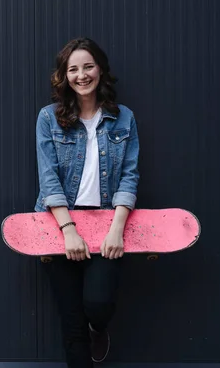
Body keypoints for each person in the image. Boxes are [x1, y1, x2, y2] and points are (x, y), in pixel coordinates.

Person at [34, 37, 140, 367]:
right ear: (64, 76)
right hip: (58, 224)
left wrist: (117, 229)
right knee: (71, 323)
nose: (82, 75)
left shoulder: (124, 118)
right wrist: (67, 229)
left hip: (107, 223)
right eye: (73, 69)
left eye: (88, 66)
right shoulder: (48, 118)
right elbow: (48, 178)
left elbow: (129, 176)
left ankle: (99, 328)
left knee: (97, 303)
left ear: (100, 71)